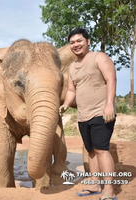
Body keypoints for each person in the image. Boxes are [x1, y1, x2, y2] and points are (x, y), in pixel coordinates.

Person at [59, 28, 117, 200]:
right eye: (72, 43)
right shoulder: (72, 67)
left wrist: (109, 105)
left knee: (101, 150)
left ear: (88, 41)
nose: (76, 45)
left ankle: (110, 190)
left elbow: (111, 79)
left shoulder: (98, 57)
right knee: (91, 150)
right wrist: (66, 104)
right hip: (83, 116)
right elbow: (71, 90)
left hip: (101, 113)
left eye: (79, 41)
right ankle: (95, 184)